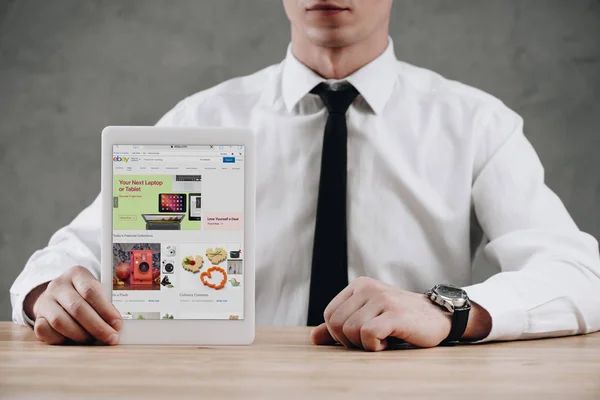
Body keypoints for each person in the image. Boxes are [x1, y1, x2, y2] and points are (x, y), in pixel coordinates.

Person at [10, 0, 600, 350]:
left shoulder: (475, 124)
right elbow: (58, 263)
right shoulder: (201, 120)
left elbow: (580, 275)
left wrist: (447, 310)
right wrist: (50, 294)